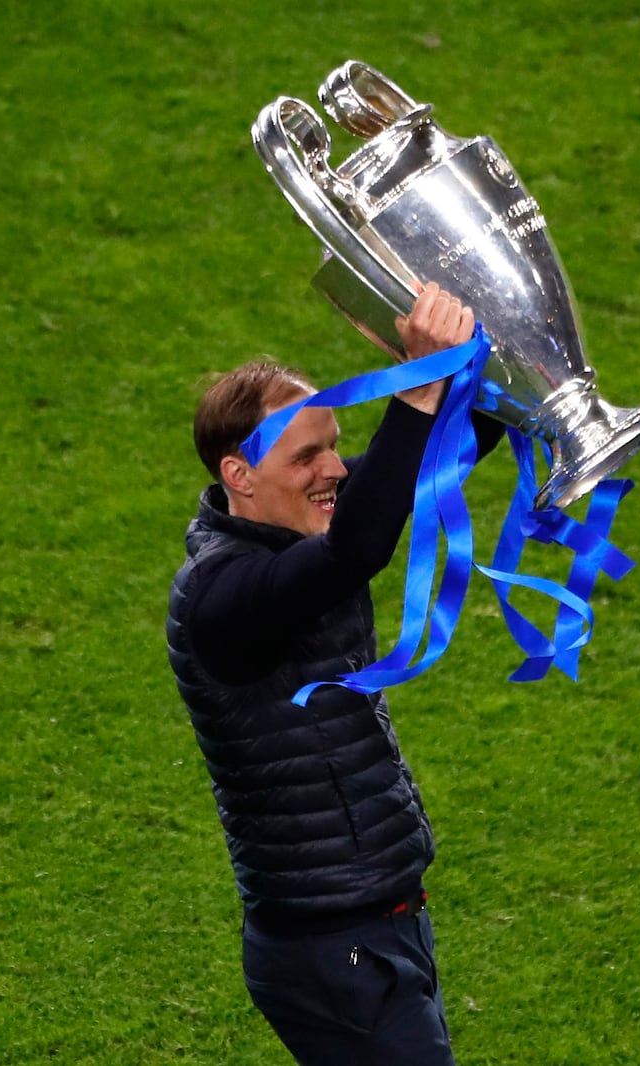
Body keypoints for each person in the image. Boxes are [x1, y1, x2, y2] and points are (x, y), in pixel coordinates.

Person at [166, 283, 497, 1065]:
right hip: (330, 952)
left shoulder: (295, 548)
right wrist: (414, 391)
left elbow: (408, 474)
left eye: (334, 445)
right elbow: (359, 545)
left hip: (378, 925)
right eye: (307, 455)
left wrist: (485, 363)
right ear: (238, 475)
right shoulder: (221, 595)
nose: (334, 468)